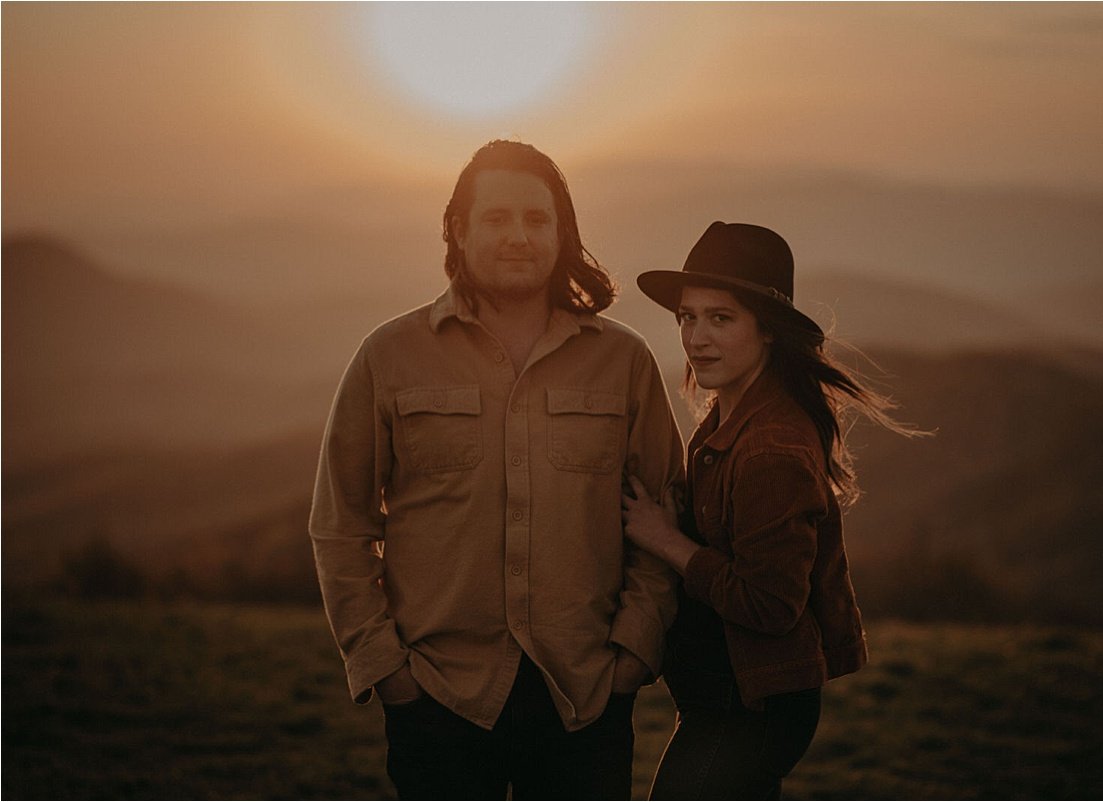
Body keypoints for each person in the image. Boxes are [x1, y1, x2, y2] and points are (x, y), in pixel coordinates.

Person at [309, 140, 684, 800]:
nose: (519, 236)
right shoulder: (389, 355)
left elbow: (665, 509)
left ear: (562, 231)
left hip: (585, 697)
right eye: (497, 218)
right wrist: (383, 666)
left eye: (537, 220)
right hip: (438, 695)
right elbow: (341, 523)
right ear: (458, 228)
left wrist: (633, 651)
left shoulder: (623, 360)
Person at [622, 221, 915, 799]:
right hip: (729, 702)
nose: (696, 337)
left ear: (769, 332)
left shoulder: (769, 449)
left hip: (750, 710)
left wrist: (666, 542)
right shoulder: (732, 415)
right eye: (687, 316)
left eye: (721, 318)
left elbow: (770, 604)